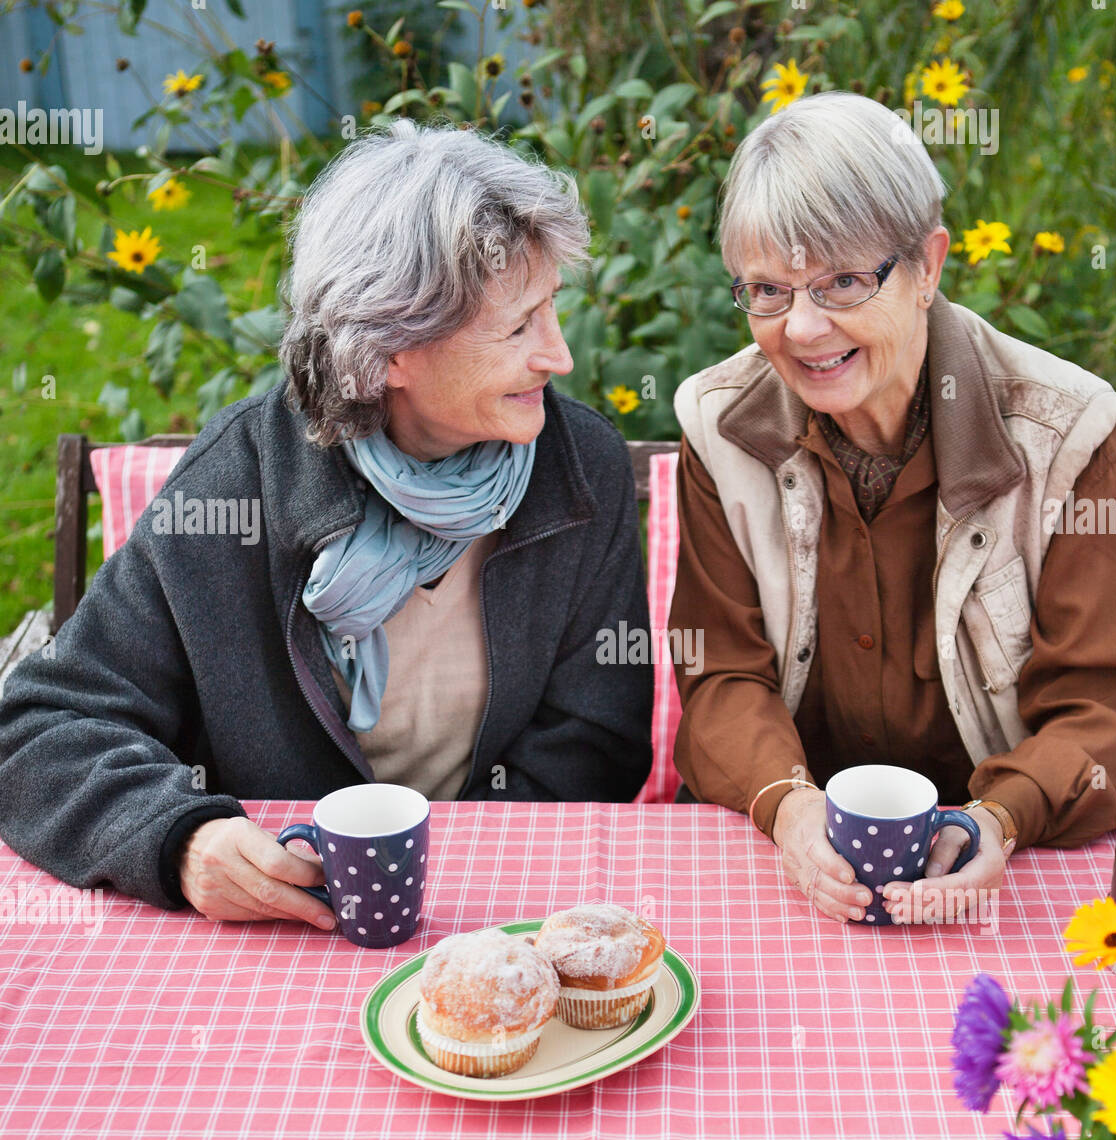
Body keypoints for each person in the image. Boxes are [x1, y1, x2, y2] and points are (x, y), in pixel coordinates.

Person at [0, 120, 652, 928]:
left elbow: (598, 739)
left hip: (498, 907)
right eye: (517, 327)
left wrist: (456, 886)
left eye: (551, 308)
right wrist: (179, 839)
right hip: (285, 926)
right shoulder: (237, 484)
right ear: (387, 351)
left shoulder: (577, 464)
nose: (559, 356)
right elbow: (42, 727)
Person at [669, 92, 1116, 925]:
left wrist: (998, 819)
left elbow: (1104, 708)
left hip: (1001, 860)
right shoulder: (722, 426)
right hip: (797, 864)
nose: (801, 327)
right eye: (766, 290)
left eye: (843, 282)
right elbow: (722, 672)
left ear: (929, 265)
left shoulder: (1071, 435)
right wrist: (790, 811)